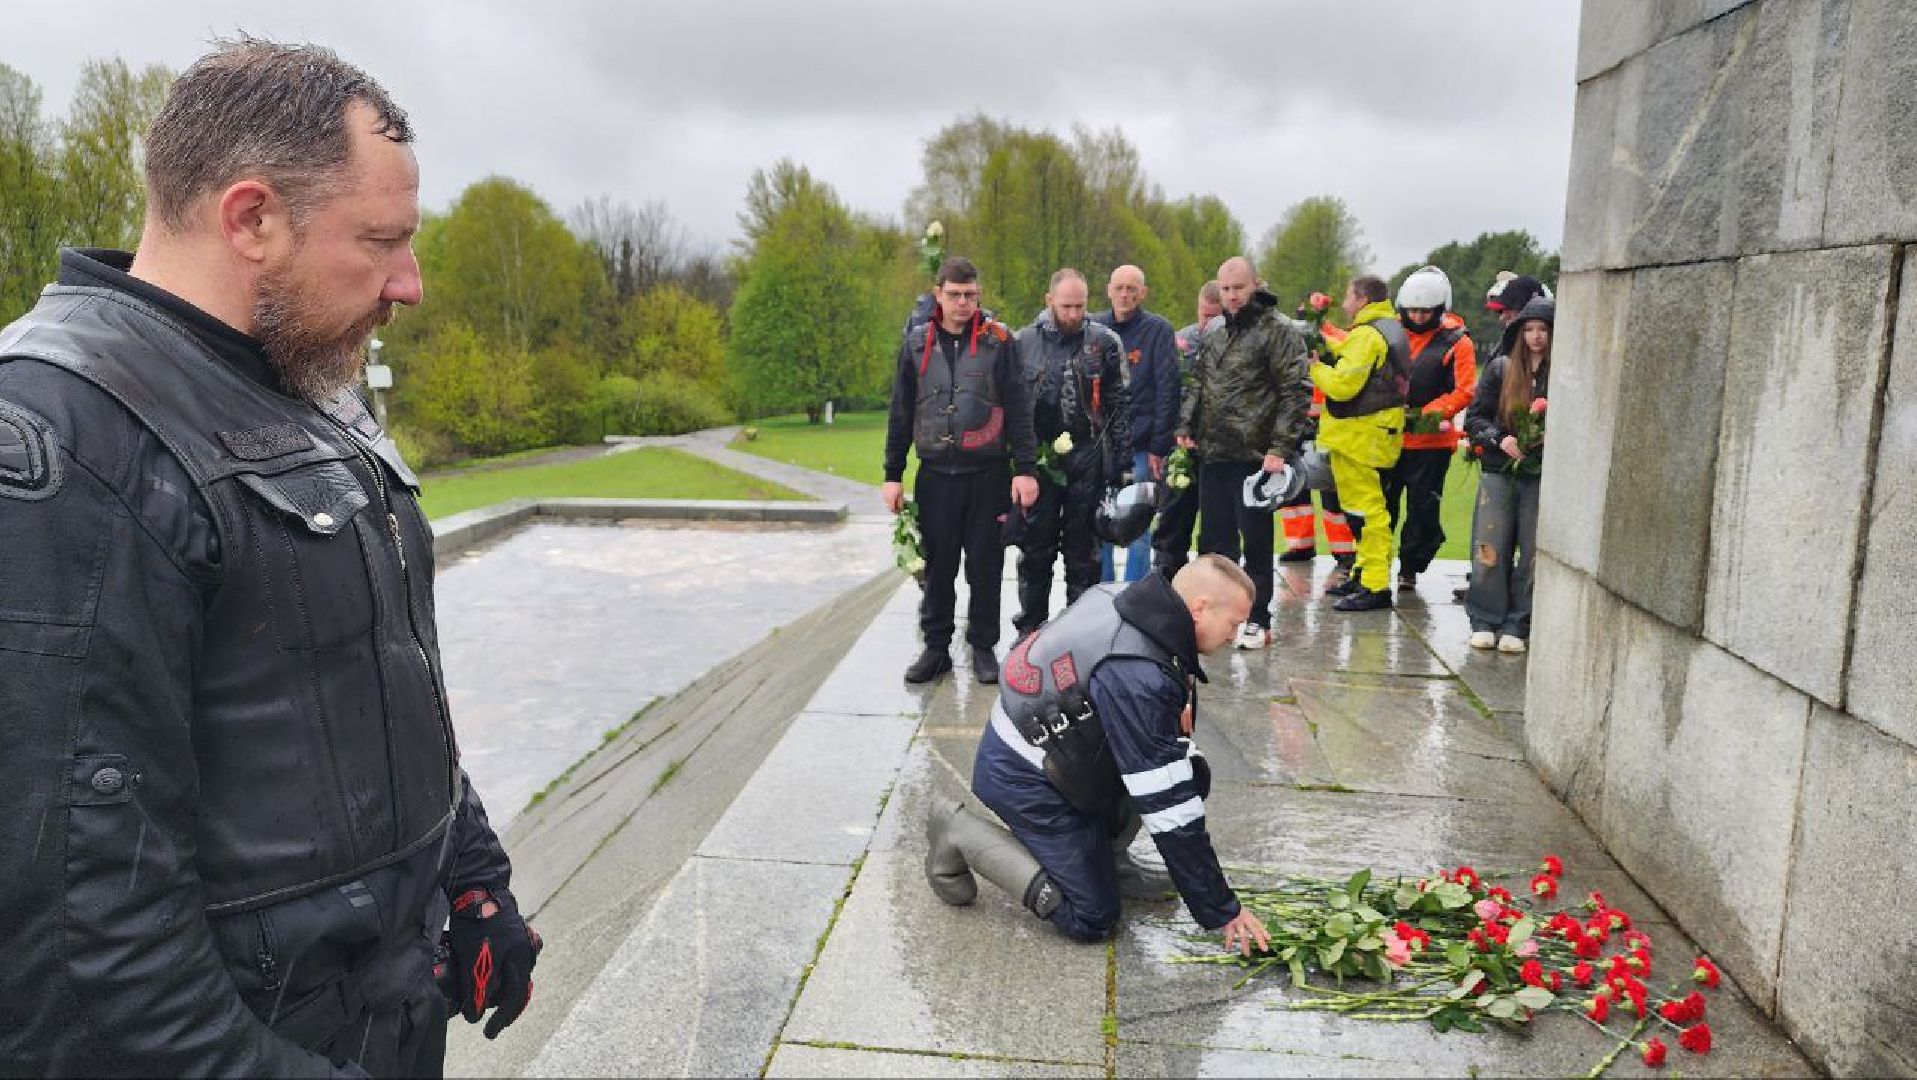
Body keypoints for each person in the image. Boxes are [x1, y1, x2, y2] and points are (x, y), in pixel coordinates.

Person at [0, 39, 535, 1076]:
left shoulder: (308, 385)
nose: (411, 284)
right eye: (382, 241)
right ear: (251, 218)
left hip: (387, 1007)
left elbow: (386, 674)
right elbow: (78, 931)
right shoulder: (65, 440)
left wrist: (473, 877)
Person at [925, 555, 1273, 957]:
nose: (1235, 635)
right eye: (1233, 624)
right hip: (1025, 775)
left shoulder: (1129, 597)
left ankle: (1108, 858)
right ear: (1199, 609)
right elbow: (1169, 807)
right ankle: (959, 831)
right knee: (1092, 916)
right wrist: (1221, 909)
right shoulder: (1137, 674)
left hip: (1059, 749)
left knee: (1188, 769)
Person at [885, 257, 1039, 684]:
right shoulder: (916, 344)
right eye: (954, 295)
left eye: (970, 295)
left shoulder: (1000, 341)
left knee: (986, 566)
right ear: (938, 295)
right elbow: (900, 410)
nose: (962, 303)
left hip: (988, 474)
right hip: (935, 475)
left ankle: (983, 646)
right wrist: (892, 472)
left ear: (979, 295)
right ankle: (936, 649)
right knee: (937, 568)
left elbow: (1019, 407)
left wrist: (1025, 469)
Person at [1175, 256, 1312, 648]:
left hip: (1256, 457)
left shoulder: (1277, 330)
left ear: (1256, 284)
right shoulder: (1215, 329)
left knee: (1255, 542)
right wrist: (1186, 425)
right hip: (1215, 452)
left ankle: (1258, 617)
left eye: (1238, 287)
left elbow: (1295, 391)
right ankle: (1211, 618)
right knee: (1214, 542)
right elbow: (1199, 382)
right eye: (1226, 289)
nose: (1232, 296)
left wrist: (1280, 448)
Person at [1013, 269, 1130, 634]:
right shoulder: (1023, 342)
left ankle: (1078, 632)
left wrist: (1122, 465)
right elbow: (1012, 407)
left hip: (1088, 455)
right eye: (1066, 306)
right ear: (1049, 301)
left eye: (1080, 306)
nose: (1074, 314)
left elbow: (1120, 405)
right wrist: (1018, 463)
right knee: (1035, 551)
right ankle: (1031, 629)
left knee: (1084, 555)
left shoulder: (1104, 342)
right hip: (1041, 460)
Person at [1312, 275, 1410, 612]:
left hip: (1360, 437)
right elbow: (1351, 352)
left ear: (1363, 299)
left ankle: (1374, 585)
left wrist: (1313, 369)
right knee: (1364, 510)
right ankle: (1365, 572)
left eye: (1348, 297)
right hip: (1372, 434)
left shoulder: (1368, 334)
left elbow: (1342, 386)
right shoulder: (1384, 328)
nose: (1344, 303)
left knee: (1367, 513)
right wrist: (1322, 336)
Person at [1464, 296, 1553, 654]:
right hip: (1499, 471)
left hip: (1540, 474)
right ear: (1519, 333)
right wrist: (1502, 439)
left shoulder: (1563, 373)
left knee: (1532, 551)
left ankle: (1519, 622)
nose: (1536, 337)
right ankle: (1485, 619)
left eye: (1543, 329)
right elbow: (1475, 420)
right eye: (1529, 329)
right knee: (1490, 547)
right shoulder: (1500, 368)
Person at [1383, 266, 1477, 590]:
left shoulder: (1458, 342)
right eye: (1413, 311)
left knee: (1423, 508)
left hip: (1432, 442)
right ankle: (1375, 563)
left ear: (1440, 309)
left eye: (1426, 311)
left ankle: (1410, 565)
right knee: (1383, 505)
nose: (1419, 317)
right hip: (1390, 439)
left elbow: (1464, 389)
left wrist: (1430, 413)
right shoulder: (1389, 334)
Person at [1093, 264, 1179, 583]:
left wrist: (1160, 446)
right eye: (1120, 288)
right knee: (1101, 521)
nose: (1125, 294)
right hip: (1102, 446)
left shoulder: (1158, 331)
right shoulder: (1095, 328)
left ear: (1143, 293)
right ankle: (1101, 592)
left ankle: (1133, 592)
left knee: (1137, 526)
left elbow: (1168, 390)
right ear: (1109, 290)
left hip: (1142, 445)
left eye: (1132, 288)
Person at [1152, 281, 1223, 576]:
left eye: (1214, 317)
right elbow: (1166, 393)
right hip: (1180, 449)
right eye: (1203, 315)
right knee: (1171, 525)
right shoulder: (1181, 342)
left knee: (1216, 531)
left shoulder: (1234, 345)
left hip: (1218, 451)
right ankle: (1165, 585)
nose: (1206, 324)